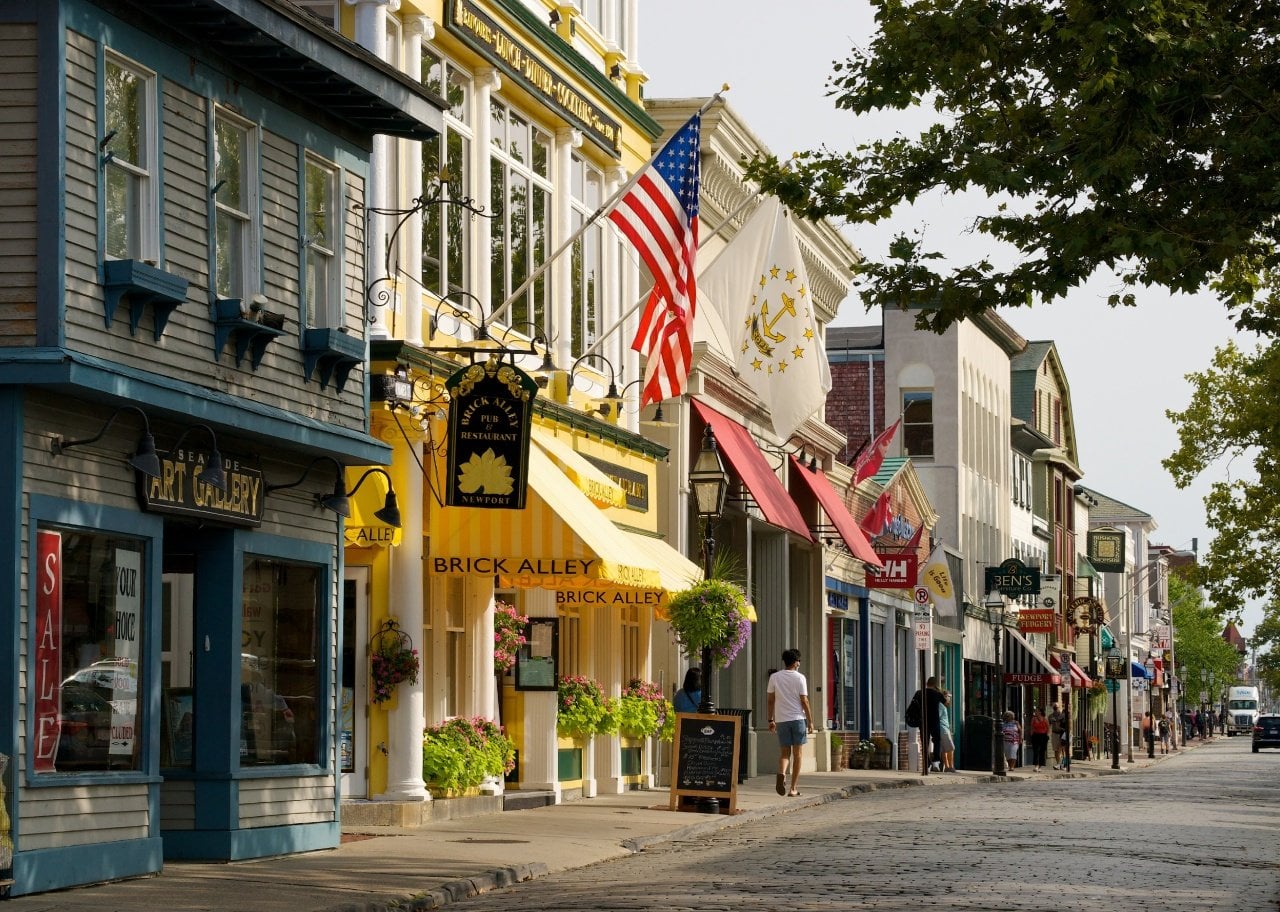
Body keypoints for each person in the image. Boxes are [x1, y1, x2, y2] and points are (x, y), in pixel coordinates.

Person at [766, 648, 814, 797]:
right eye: (799, 661)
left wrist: (771, 720)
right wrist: (810, 721)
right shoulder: (800, 678)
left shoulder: (774, 677)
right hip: (798, 719)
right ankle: (793, 788)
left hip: (782, 720)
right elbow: (804, 701)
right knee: (798, 755)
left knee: (784, 753)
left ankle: (781, 773)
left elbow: (770, 700)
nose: (799, 663)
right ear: (795, 662)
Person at [938, 691, 956, 772]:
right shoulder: (941, 706)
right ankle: (951, 767)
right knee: (951, 748)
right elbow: (937, 717)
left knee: (944, 749)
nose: (949, 699)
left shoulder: (942, 706)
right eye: (948, 697)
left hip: (943, 728)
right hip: (943, 728)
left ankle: (947, 767)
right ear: (944, 697)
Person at [1028, 707, 1050, 772]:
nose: (1035, 712)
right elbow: (1031, 728)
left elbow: (1048, 728)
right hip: (1035, 735)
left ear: (1040, 712)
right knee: (1036, 751)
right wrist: (1031, 735)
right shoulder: (1033, 719)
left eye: (1037, 711)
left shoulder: (1045, 719)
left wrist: (1047, 735)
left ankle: (1040, 766)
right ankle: (1036, 766)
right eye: (1035, 711)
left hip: (1043, 736)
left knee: (1042, 751)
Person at [1048, 702, 1066, 769]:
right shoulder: (1050, 716)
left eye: (1057, 707)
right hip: (1054, 733)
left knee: (1062, 750)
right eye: (1054, 707)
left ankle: (1064, 764)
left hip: (1062, 734)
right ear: (1053, 708)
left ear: (1059, 707)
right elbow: (1049, 725)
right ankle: (1058, 764)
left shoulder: (1062, 715)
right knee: (1056, 750)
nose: (1056, 709)